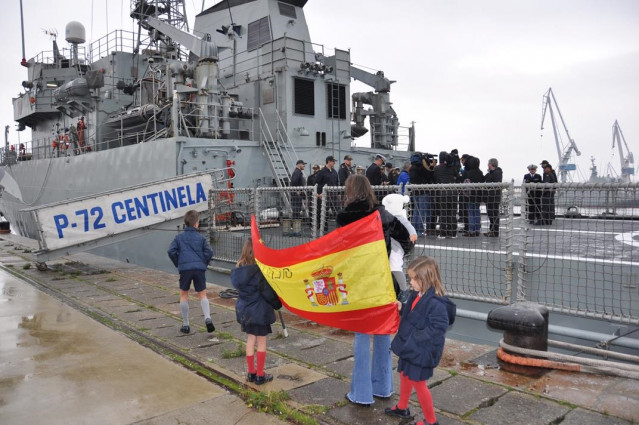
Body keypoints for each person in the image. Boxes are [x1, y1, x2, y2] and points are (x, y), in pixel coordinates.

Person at [336, 175, 413, 406]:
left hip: (358, 282)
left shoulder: (344, 217)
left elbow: (337, 250)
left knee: (361, 335)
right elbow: (406, 239)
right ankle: (384, 387)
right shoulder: (382, 214)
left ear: (349, 191)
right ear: (369, 190)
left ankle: (361, 393)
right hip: (383, 282)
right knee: (383, 332)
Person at [385, 256, 456, 425]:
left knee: (418, 383)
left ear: (425, 279)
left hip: (422, 350)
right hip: (412, 347)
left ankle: (431, 421)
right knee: (404, 374)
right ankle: (402, 407)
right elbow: (412, 316)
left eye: (413, 279)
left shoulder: (436, 303)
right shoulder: (416, 294)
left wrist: (416, 337)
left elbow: (439, 328)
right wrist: (402, 308)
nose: (410, 282)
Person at [231, 238, 282, 385]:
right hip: (260, 311)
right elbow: (267, 293)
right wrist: (277, 303)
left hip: (246, 311)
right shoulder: (260, 272)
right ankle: (260, 375)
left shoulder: (239, 269)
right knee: (261, 341)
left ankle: (251, 372)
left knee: (250, 339)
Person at [167, 210, 215, 334]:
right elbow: (209, 252)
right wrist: (203, 263)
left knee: (183, 295)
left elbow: (170, 251)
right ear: (196, 224)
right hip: (199, 269)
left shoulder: (178, 237)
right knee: (202, 294)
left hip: (185, 269)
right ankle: (207, 318)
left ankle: (186, 324)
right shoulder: (201, 238)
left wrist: (179, 263)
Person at [382, 194, 418, 299]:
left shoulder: (398, 217)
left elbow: (409, 226)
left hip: (395, 248)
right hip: (389, 247)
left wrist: (413, 234)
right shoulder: (389, 217)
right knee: (390, 267)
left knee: (395, 266)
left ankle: (404, 290)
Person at [409, 153, 436, 235]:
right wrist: (431, 166)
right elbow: (429, 175)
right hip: (423, 192)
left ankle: (414, 229)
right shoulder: (421, 167)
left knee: (416, 211)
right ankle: (420, 230)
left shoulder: (412, 168)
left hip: (415, 192)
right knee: (422, 211)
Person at [433, 152, 459, 238]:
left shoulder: (437, 168)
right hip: (453, 192)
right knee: (452, 213)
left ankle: (443, 233)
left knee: (443, 213)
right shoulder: (453, 168)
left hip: (443, 192)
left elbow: (435, 178)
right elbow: (458, 177)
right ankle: (453, 232)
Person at [461, 156, 484, 237]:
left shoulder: (468, 172)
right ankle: (477, 229)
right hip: (478, 195)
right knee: (477, 211)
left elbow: (464, 183)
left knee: (470, 212)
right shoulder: (480, 172)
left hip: (470, 195)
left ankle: (471, 230)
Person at [315, 155, 339, 232]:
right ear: (328, 161)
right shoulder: (322, 172)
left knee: (337, 211)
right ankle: (324, 229)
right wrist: (319, 193)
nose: (334, 163)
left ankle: (339, 228)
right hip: (325, 196)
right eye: (333, 161)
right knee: (324, 213)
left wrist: (338, 193)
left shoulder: (334, 172)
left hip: (333, 195)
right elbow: (316, 183)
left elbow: (337, 183)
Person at [483, 158, 503, 237]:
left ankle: (495, 231)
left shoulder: (496, 173)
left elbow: (496, 184)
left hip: (493, 197)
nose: (487, 165)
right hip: (490, 197)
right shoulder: (491, 173)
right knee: (491, 214)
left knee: (494, 214)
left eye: (488, 163)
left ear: (491, 164)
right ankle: (492, 230)